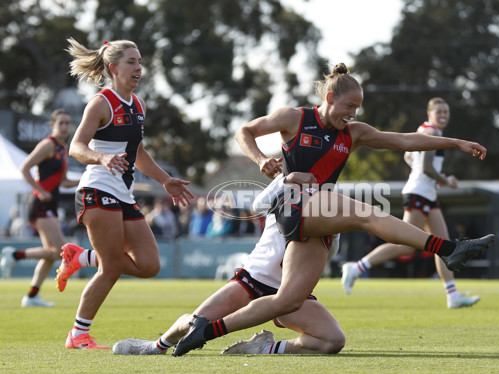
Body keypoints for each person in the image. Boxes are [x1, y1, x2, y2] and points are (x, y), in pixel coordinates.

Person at [171, 63, 495, 357]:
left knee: (293, 306)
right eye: (349, 106)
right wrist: (260, 160)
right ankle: (447, 248)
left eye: (357, 108)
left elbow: (404, 140)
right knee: (368, 214)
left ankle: (208, 331)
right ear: (329, 97)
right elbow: (245, 131)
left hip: (318, 215)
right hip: (294, 203)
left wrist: (456, 143)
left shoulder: (354, 133)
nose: (352, 114)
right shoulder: (294, 118)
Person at [112, 174, 344, 355]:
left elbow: (330, 252)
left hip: (291, 292)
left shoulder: (331, 200)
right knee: (195, 324)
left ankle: (262, 348)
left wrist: (330, 233)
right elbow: (258, 205)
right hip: (253, 281)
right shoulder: (286, 183)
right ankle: (156, 346)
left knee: (332, 340)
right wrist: (284, 179)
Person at [59, 37, 194, 350]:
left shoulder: (138, 104)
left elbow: (139, 152)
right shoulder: (100, 103)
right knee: (112, 267)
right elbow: (76, 147)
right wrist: (102, 157)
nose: (138, 68)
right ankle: (78, 334)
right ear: (113, 68)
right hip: (96, 189)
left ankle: (81, 257)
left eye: (140, 61)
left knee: (149, 265)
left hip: (123, 193)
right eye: (131, 62)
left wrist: (165, 180)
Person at [340, 97, 481, 309]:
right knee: (405, 246)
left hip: (426, 193)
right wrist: (447, 180)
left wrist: (433, 179)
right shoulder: (432, 133)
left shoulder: (423, 130)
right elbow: (426, 168)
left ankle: (452, 295)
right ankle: (357, 267)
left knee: (444, 244)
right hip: (419, 193)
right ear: (430, 113)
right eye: (439, 112)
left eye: (446, 112)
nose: (443, 115)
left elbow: (408, 157)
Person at [0, 109, 79, 307]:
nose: (65, 126)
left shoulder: (62, 148)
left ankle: (32, 296)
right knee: (63, 251)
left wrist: (84, 180)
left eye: (68, 123)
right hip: (40, 204)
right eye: (61, 122)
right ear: (52, 125)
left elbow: (64, 181)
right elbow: (25, 168)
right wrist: (40, 190)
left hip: (51, 204)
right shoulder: (47, 144)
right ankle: (14, 255)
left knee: (52, 254)